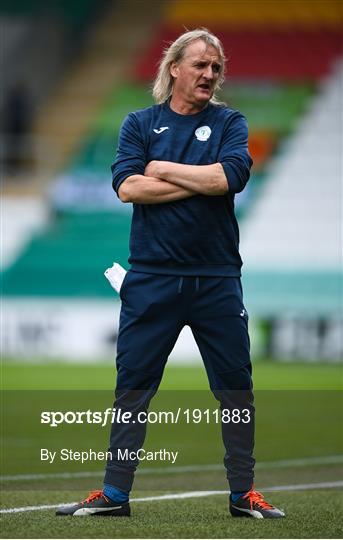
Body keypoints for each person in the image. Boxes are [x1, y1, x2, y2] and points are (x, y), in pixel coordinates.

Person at [57, 28, 285, 519]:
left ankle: (243, 493)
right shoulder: (139, 123)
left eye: (216, 68)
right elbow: (128, 189)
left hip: (217, 279)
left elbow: (231, 178)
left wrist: (162, 167)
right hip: (152, 278)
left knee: (234, 387)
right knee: (132, 388)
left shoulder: (230, 121)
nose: (209, 75)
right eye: (201, 65)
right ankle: (115, 495)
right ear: (174, 68)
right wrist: (199, 181)